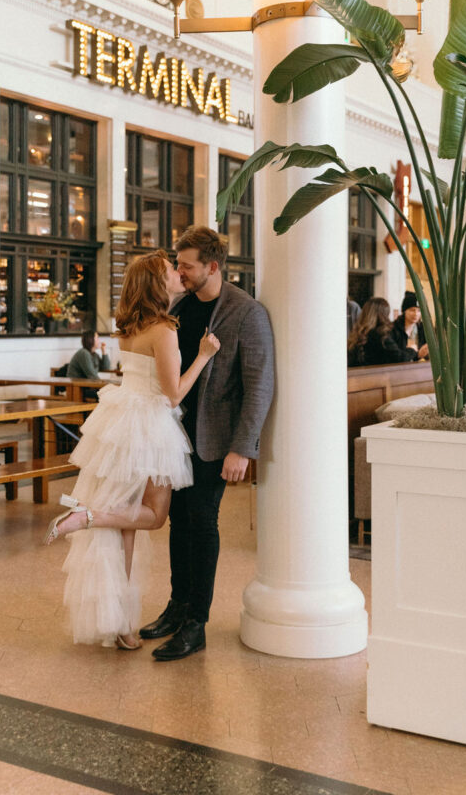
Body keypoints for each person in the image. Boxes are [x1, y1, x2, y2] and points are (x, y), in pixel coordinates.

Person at [43, 249, 220, 651]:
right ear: (157, 285)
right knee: (153, 518)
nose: (177, 274)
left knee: (126, 529)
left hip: (122, 421)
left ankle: (121, 626)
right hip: (152, 426)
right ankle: (90, 515)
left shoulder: (129, 328)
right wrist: (204, 357)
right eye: (169, 271)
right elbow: (173, 395)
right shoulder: (164, 329)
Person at [140, 226, 275, 662]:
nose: (180, 272)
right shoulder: (178, 305)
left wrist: (244, 447)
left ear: (212, 267)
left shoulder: (246, 312)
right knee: (178, 522)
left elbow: (259, 386)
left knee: (202, 524)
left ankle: (196, 623)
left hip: (215, 441)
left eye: (186, 265)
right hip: (173, 436)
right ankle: (176, 608)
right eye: (178, 265)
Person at [348, 297, 420, 367]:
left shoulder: (358, 333)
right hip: (378, 376)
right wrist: (412, 350)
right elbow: (399, 358)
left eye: (418, 310)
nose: (416, 313)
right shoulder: (381, 335)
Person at [391, 291, 428, 359]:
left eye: (419, 311)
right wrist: (417, 354)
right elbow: (395, 356)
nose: (416, 314)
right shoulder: (393, 328)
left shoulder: (423, 328)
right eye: (412, 310)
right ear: (404, 311)